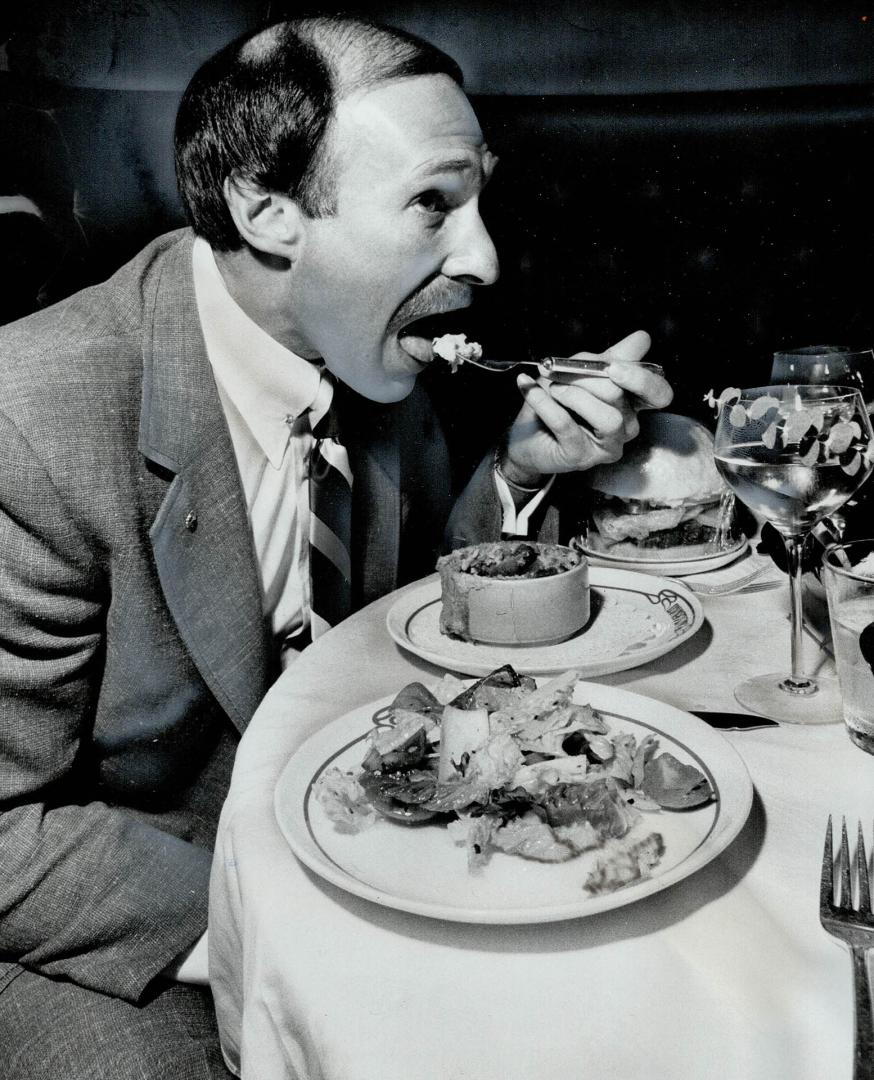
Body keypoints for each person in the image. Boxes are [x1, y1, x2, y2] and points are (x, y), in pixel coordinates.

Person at [0, 15, 672, 1079]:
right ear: (268, 212)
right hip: (99, 926)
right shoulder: (28, 420)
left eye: (480, 198)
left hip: (342, 850)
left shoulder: (367, 360)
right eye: (432, 204)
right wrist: (291, 921)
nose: (485, 257)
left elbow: (392, 621)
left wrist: (522, 472)